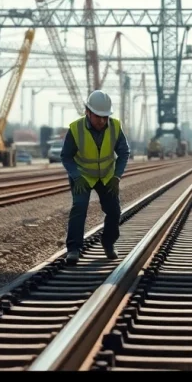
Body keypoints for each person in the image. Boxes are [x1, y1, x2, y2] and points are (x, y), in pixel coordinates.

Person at [60, 90, 130, 265]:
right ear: (87, 112)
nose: (102, 120)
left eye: (105, 116)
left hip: (106, 176)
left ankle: (108, 244)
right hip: (82, 176)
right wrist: (76, 176)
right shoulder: (75, 129)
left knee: (114, 211)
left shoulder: (115, 127)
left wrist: (117, 176)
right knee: (79, 207)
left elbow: (124, 152)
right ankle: (74, 250)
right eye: (98, 116)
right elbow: (66, 156)